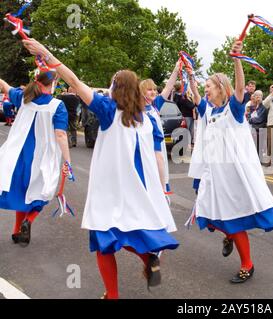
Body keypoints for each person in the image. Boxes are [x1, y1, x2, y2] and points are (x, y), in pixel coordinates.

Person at [22, 38, 179, 299]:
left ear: (116, 87)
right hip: (135, 190)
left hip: (109, 192)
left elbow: (72, 80)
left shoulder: (108, 110)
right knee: (129, 233)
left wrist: (45, 52)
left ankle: (113, 294)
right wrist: (162, 186)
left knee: (104, 245)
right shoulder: (144, 117)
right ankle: (148, 258)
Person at [188, 40, 273, 283]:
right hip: (213, 176)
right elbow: (196, 96)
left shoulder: (233, 110)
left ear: (221, 87)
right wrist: (190, 75)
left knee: (233, 220)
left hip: (232, 177)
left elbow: (240, 89)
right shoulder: (209, 111)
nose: (206, 89)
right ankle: (229, 236)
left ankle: (247, 264)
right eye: (205, 86)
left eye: (209, 86)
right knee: (209, 216)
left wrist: (237, 59)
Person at [0, 70, 71, 247]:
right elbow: (61, 134)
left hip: (18, 156)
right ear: (53, 84)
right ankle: (29, 220)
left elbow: (5, 86)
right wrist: (67, 161)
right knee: (41, 192)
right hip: (42, 158)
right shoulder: (57, 105)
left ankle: (17, 231)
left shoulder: (24, 98)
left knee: (23, 195)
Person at [140, 63, 179, 194]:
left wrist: (176, 69)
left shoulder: (155, 104)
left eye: (155, 89)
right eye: (150, 89)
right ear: (142, 92)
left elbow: (168, 87)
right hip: (148, 152)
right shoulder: (137, 110)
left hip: (159, 150)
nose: (154, 92)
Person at [173, 81, 196, 148]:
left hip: (187, 115)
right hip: (186, 115)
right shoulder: (179, 96)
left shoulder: (178, 95)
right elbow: (189, 104)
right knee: (188, 130)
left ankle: (189, 143)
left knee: (190, 130)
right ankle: (187, 144)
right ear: (180, 88)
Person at [248, 90, 268, 155]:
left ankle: (258, 162)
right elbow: (248, 116)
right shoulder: (251, 107)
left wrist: (251, 120)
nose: (258, 97)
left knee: (259, 148)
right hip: (253, 129)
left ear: (262, 97)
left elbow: (259, 119)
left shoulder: (263, 107)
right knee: (252, 147)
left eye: (260, 96)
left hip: (260, 130)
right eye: (256, 95)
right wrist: (250, 119)